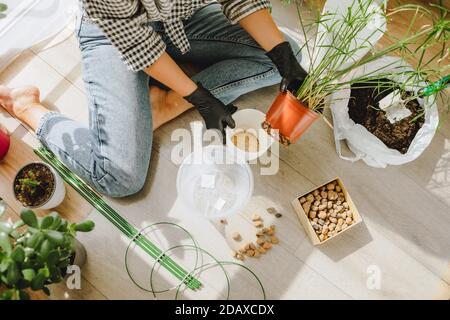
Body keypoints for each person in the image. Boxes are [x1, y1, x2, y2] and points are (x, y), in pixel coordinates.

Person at [0, 0, 307, 197]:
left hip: (182, 19)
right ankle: (27, 107)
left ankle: (166, 103)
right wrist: (199, 97)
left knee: (283, 51)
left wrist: (283, 58)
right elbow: (139, 46)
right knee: (119, 178)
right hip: (114, 39)